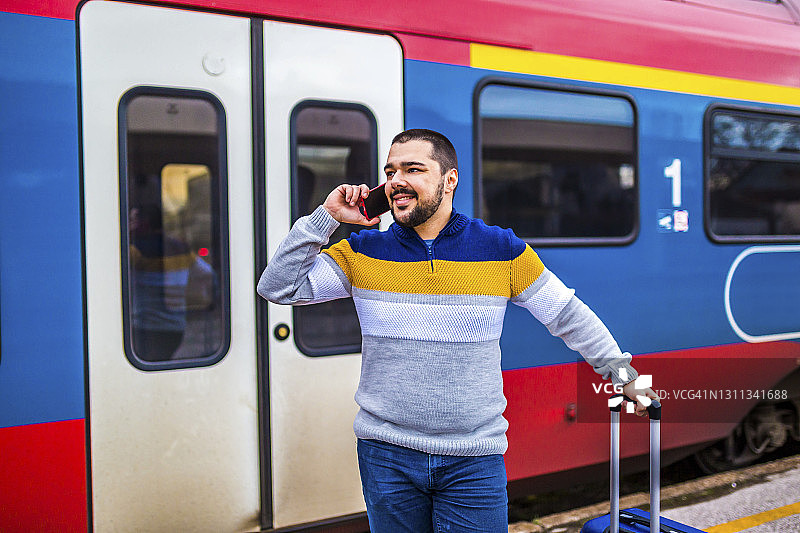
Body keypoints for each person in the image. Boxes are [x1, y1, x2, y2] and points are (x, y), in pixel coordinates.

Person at [257, 129, 658, 532]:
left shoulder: (501, 249)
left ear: (449, 180)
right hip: (387, 458)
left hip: (473, 461)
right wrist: (325, 218)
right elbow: (278, 287)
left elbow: (568, 316)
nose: (397, 181)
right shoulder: (362, 250)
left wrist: (625, 377)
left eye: (413, 169)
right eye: (391, 171)